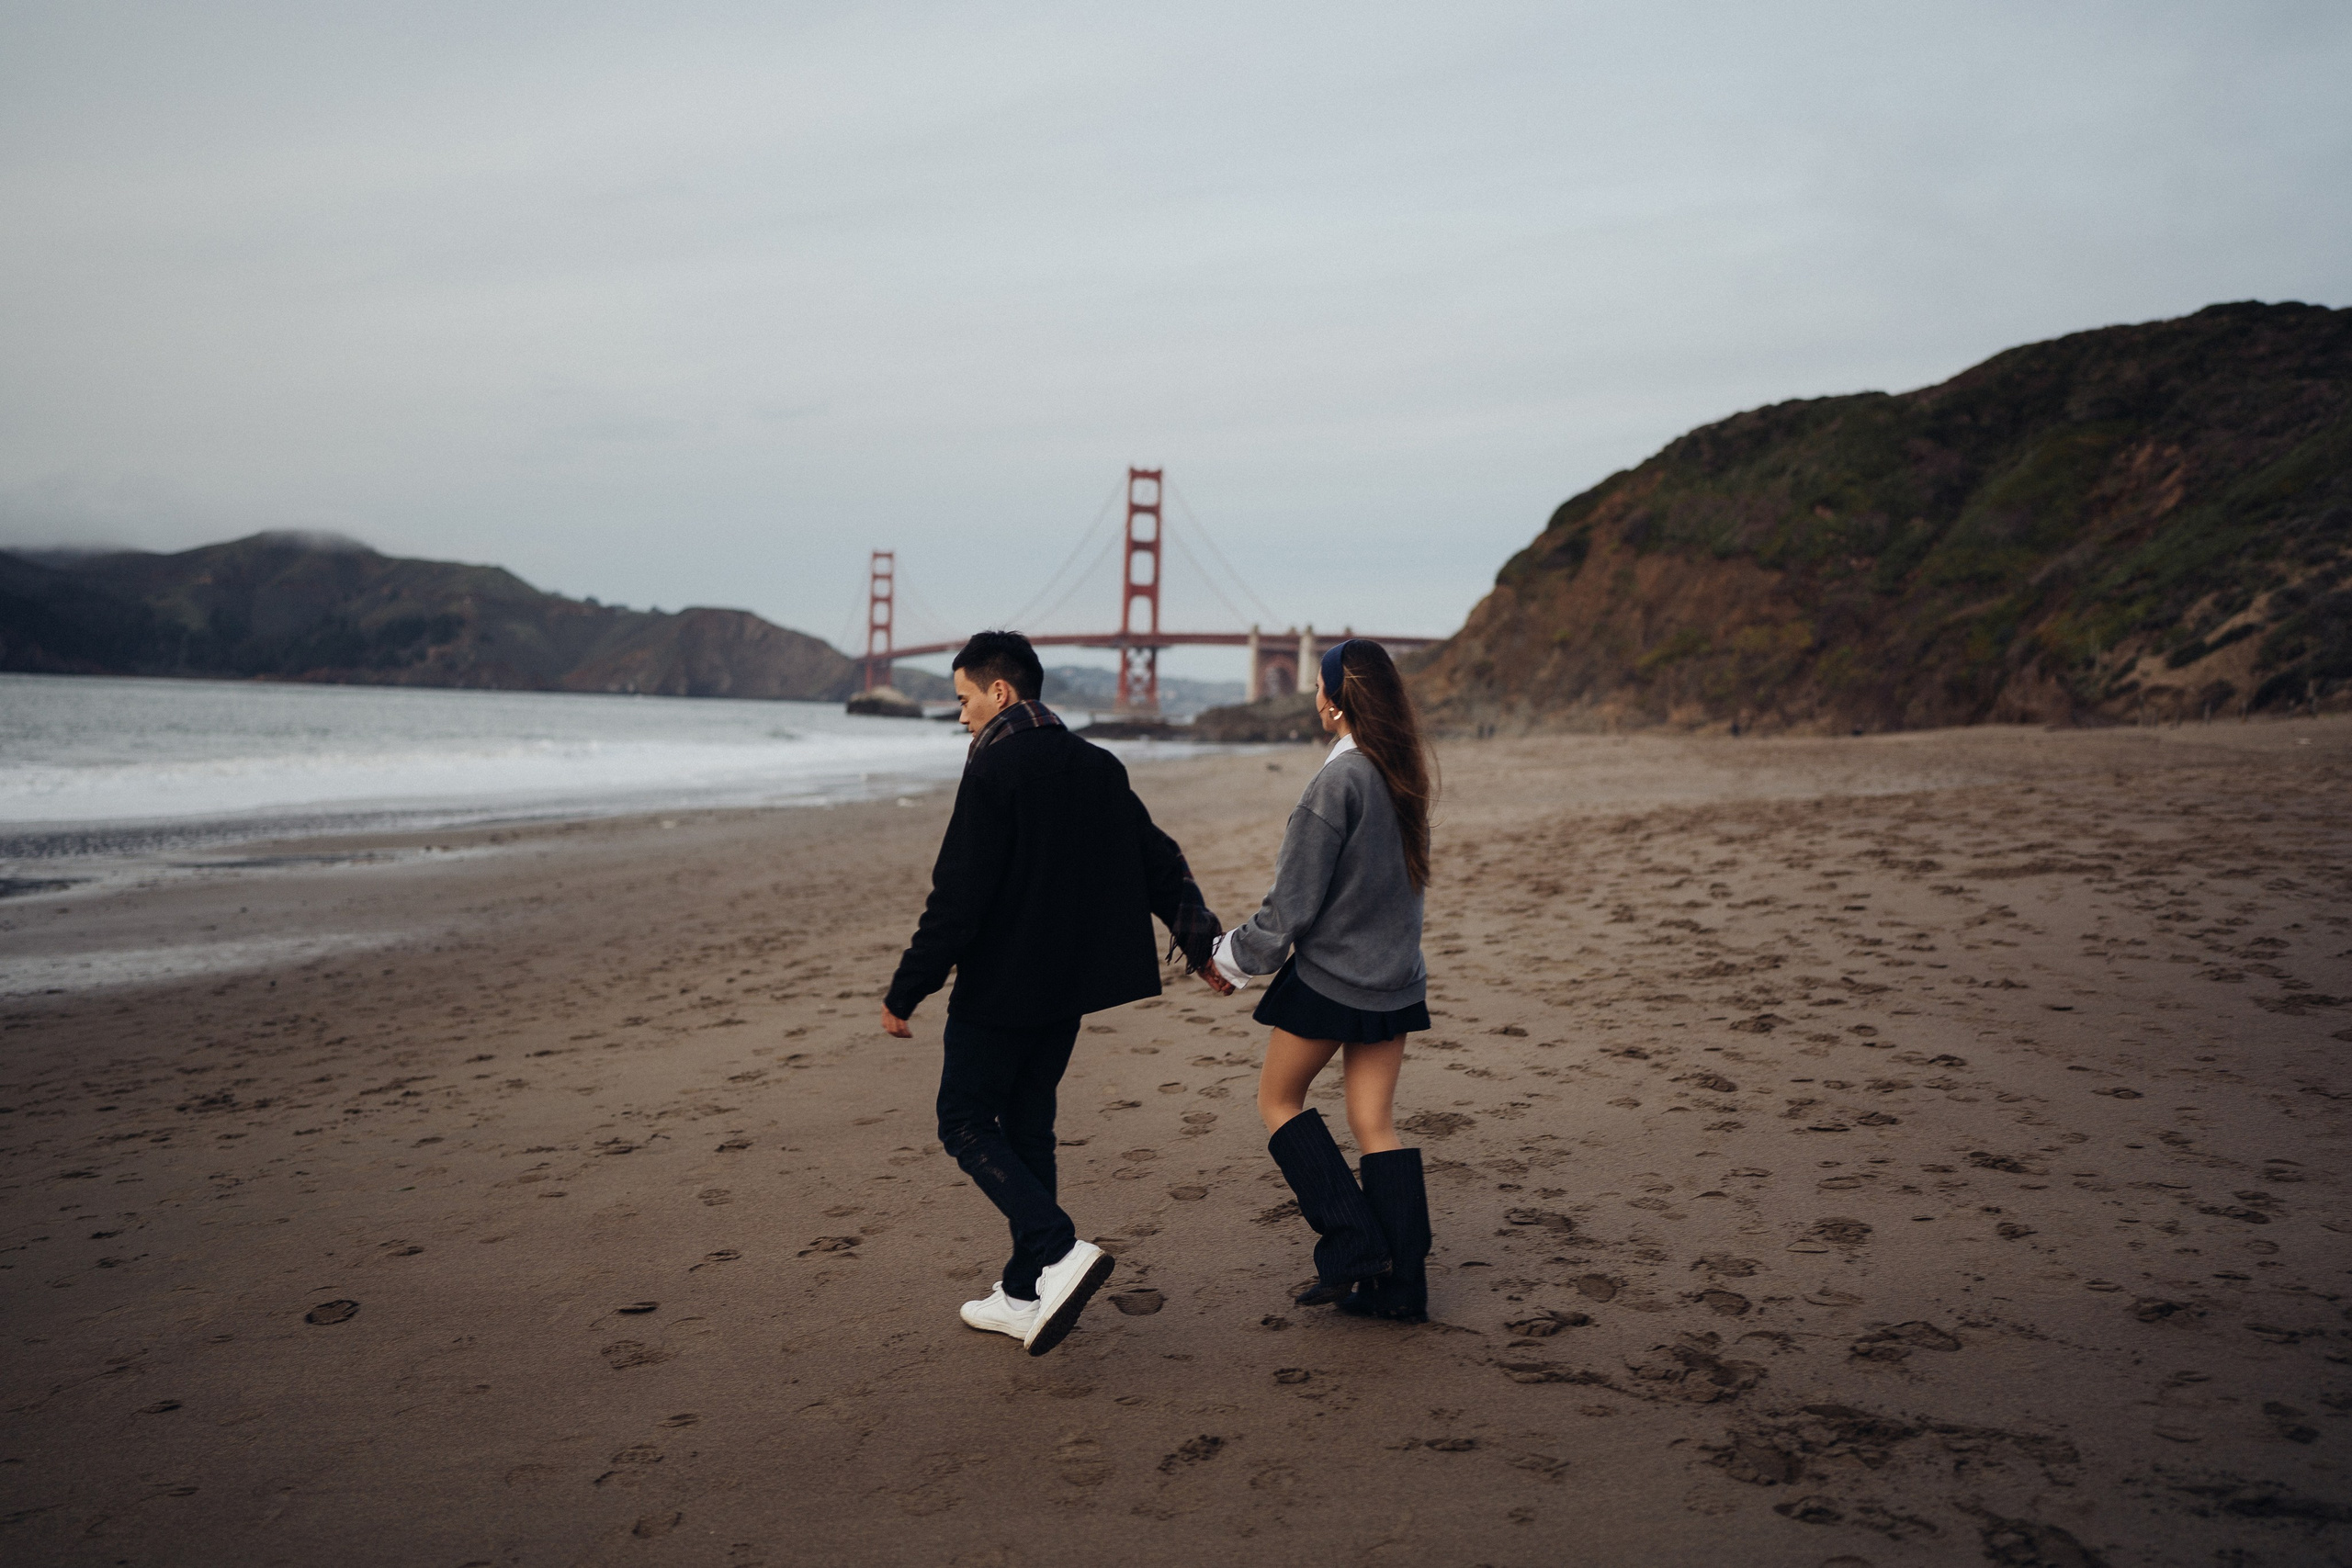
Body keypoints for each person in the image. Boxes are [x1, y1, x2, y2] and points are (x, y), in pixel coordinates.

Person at [881, 630, 1231, 1357]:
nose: (960, 716)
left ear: (1000, 692)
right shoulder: (1096, 763)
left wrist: (906, 989)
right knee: (1029, 1122)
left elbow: (958, 900)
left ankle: (1055, 1245)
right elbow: (1159, 859)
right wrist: (1200, 943)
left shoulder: (993, 770)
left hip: (1001, 988)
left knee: (965, 1121)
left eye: (963, 699)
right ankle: (1022, 1290)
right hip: (1066, 992)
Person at [1212, 638, 1437, 1322]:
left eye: (1320, 685)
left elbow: (1291, 906)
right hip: (1395, 980)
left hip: (1335, 980)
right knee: (1374, 1122)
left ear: (1339, 699)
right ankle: (1403, 1289)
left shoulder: (1336, 781)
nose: (1314, 696)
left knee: (1278, 1099)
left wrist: (1229, 959)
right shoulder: (1402, 772)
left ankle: (1354, 1242)